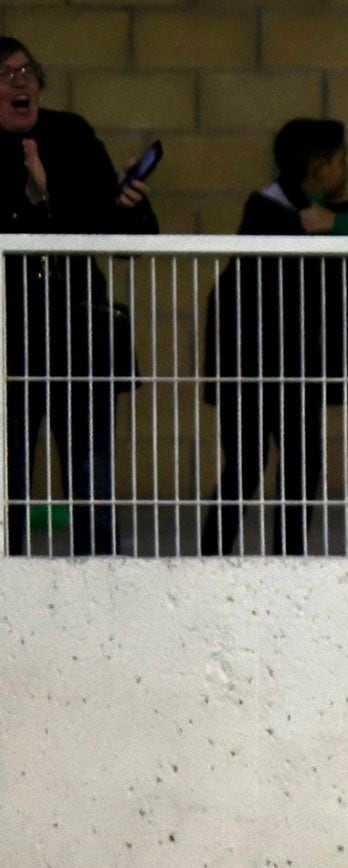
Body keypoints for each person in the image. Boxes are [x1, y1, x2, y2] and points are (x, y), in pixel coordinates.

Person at [200, 119, 348, 555]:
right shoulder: (290, 220)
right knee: (254, 468)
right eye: (341, 161)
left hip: (285, 369)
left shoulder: (282, 214)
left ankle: (281, 559)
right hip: (256, 369)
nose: (347, 169)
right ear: (319, 168)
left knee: (291, 467)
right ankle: (221, 559)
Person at [1, 36, 157, 556]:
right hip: (8, 342)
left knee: (92, 479)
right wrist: (35, 202)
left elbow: (124, 242)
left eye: (28, 70)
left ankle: (100, 581)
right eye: (5, 73)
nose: (21, 81)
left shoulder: (71, 134)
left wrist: (132, 205)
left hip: (78, 333)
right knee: (8, 481)